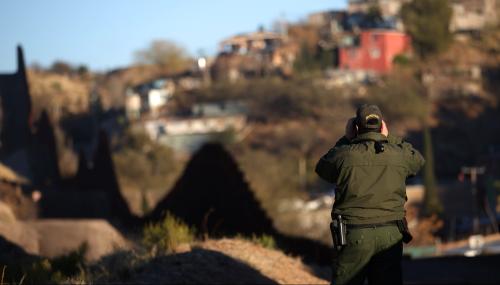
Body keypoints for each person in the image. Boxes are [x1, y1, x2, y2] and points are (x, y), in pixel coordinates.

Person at [315, 104, 425, 285]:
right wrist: (389, 138)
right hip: (391, 232)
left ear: (356, 127)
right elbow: (417, 160)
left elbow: (322, 168)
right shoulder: (398, 155)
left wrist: (346, 139)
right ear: (382, 126)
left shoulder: (344, 155)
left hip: (354, 233)